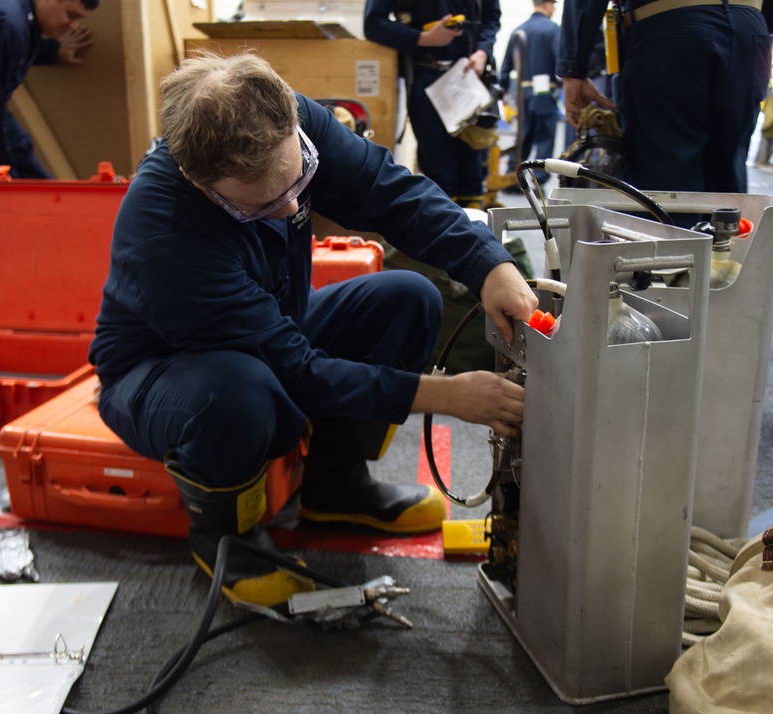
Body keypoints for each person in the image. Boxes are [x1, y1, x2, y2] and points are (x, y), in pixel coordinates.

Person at [88, 51, 537, 608]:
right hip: (161, 372)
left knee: (408, 298)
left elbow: (387, 188)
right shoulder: (164, 235)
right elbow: (296, 373)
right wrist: (448, 396)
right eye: (267, 205)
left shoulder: (285, 118)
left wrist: (488, 263)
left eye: (300, 178)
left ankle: (336, 486)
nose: (296, 206)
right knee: (245, 396)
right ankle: (226, 538)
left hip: (272, 326)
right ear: (203, 184)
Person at [557, 0, 772, 197]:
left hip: (667, 26)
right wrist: (751, 22)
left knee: (665, 179)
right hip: (750, 32)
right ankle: (726, 237)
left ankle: (676, 236)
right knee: (728, 171)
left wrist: (573, 68)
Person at [364, 0, 500, 208]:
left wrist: (483, 51)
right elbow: (373, 24)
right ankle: (444, 235)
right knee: (440, 174)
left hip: (470, 82)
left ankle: (473, 235)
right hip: (426, 82)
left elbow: (491, 17)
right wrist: (423, 38)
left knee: (472, 175)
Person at [0, 0, 97, 179]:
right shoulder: (4, 24)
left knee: (24, 162)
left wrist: (52, 51)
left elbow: (5, 50)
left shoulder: (17, 20)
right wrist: (4, 177)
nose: (74, 26)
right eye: (71, 15)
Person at [498, 0, 561, 186]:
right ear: (548, 5)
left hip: (522, 91)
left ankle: (513, 174)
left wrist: (503, 91)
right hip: (544, 91)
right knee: (545, 135)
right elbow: (559, 60)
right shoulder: (552, 29)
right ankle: (539, 177)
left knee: (523, 135)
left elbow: (506, 64)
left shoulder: (518, 30)